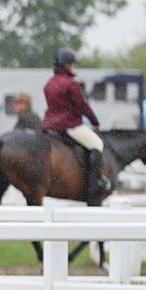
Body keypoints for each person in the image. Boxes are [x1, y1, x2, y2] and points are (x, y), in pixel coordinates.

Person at [40, 47, 109, 200]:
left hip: (48, 126)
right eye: (72, 64)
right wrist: (94, 121)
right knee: (97, 144)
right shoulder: (71, 84)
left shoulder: (49, 84)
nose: (73, 67)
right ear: (66, 65)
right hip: (68, 125)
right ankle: (93, 185)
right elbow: (82, 106)